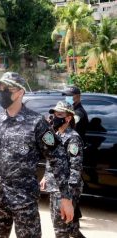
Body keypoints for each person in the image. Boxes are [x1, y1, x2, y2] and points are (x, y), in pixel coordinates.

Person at [0, 72, 74, 238]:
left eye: (7, 89)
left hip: (24, 200)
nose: (2, 92)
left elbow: (58, 158)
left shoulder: (37, 123)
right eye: (0, 89)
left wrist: (65, 197)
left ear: (20, 92)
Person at [40, 101, 85, 238]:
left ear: (68, 118)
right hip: (55, 186)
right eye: (54, 114)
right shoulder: (56, 135)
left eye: (59, 114)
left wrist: (68, 196)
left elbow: (75, 169)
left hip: (65, 190)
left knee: (60, 229)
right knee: (71, 228)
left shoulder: (73, 138)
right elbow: (52, 160)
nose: (55, 117)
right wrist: (45, 177)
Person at [62, 85, 88, 225]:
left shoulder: (78, 113)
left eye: (69, 95)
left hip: (73, 153)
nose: (67, 98)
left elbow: (70, 128)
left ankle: (73, 219)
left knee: (72, 186)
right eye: (65, 95)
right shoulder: (73, 111)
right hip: (71, 152)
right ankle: (74, 217)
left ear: (77, 96)